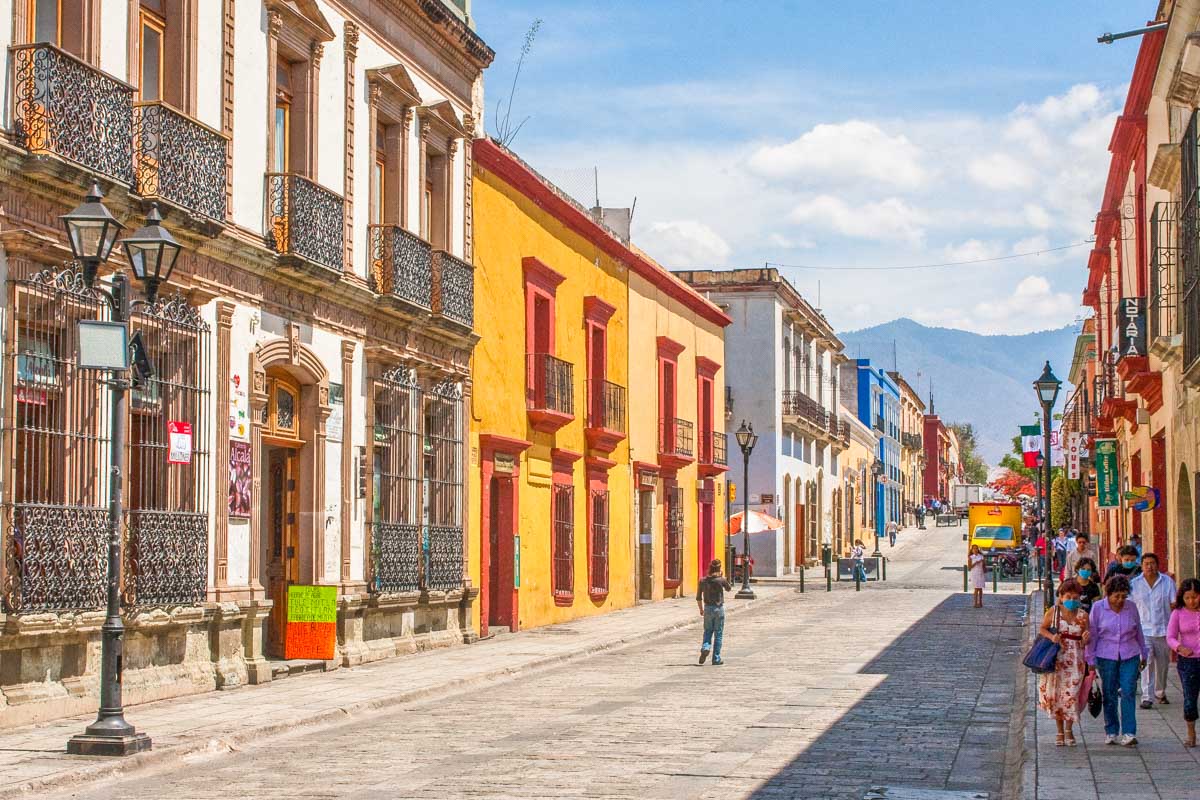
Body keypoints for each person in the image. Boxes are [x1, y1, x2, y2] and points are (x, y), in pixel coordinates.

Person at [1086, 575, 1149, 746]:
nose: (1120, 600)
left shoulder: (1131, 607)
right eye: (1116, 596)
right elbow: (1093, 635)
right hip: (1106, 655)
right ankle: (1111, 730)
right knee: (1109, 693)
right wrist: (1090, 659)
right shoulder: (1098, 608)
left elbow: (1138, 631)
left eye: (1124, 596)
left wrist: (1144, 653)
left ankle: (1129, 732)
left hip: (1130, 654)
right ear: (1108, 594)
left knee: (1128, 691)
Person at [1038, 578, 1090, 746]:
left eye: (1075, 598)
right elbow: (1042, 628)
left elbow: (1087, 638)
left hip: (1075, 660)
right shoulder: (1053, 612)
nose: (1071, 601)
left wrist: (1085, 639)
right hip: (1056, 659)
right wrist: (1052, 636)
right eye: (1068, 597)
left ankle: (1069, 729)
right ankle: (1060, 731)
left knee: (1072, 695)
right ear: (1061, 596)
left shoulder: (1083, 616)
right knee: (1057, 695)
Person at [1130, 553, 1176, 709]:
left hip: (1164, 630)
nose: (1149, 566)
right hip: (1144, 631)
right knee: (1147, 662)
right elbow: (1130, 607)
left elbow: (1173, 604)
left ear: (1158, 565)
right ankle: (1147, 697)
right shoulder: (1135, 584)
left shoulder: (1167, 582)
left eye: (1152, 563)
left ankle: (1160, 692)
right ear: (1142, 566)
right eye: (1146, 564)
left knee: (1163, 664)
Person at [1167, 578, 1200, 748]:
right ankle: (1191, 732)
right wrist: (1180, 648)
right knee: (1190, 698)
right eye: (1188, 598)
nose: (1191, 601)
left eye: (1195, 597)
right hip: (1188, 662)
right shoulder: (1178, 613)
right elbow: (1170, 637)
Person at [696, 559, 733, 666]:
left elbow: (698, 597)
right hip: (718, 609)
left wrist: (701, 609)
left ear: (710, 568)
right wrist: (723, 577)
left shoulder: (702, 580)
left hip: (707, 608)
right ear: (719, 568)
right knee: (718, 634)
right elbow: (729, 588)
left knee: (707, 631)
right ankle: (716, 658)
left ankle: (705, 647)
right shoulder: (721, 580)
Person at [968, 544, 986, 609]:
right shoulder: (971, 557)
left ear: (978, 549)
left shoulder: (981, 556)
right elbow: (969, 567)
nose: (975, 550)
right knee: (976, 588)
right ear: (972, 550)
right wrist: (976, 563)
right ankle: (975, 603)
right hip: (974, 574)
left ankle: (980, 603)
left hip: (980, 573)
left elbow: (984, 565)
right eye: (974, 549)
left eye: (976, 548)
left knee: (980, 589)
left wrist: (983, 563)